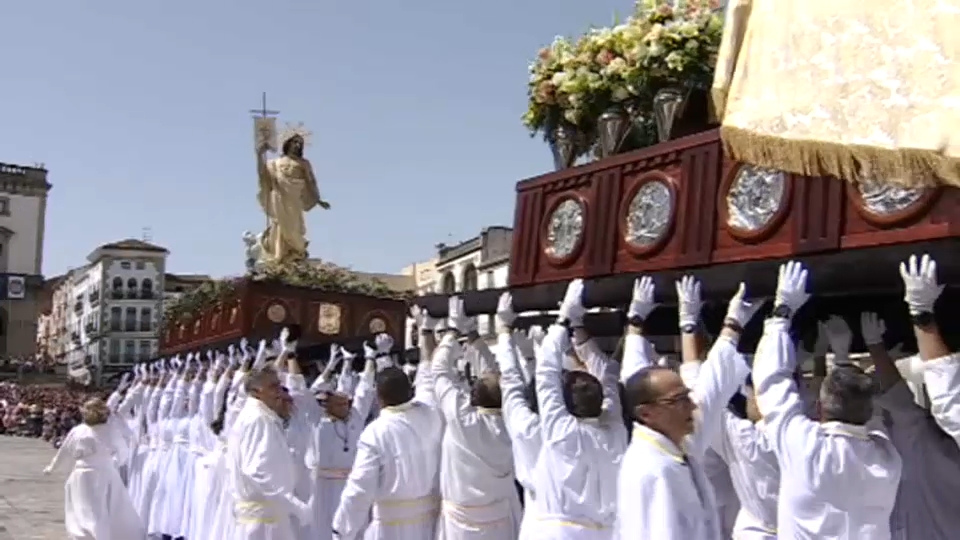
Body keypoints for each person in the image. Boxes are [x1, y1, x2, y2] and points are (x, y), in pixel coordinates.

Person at [754, 260, 902, 538]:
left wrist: (782, 312)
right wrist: (843, 357)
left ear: (819, 409)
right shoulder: (887, 460)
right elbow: (874, 422)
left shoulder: (803, 445)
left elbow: (771, 381)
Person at [616, 276, 761, 539]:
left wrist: (733, 325)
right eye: (679, 400)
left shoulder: (677, 443)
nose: (691, 404)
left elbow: (708, 389)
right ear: (646, 414)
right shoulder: (654, 470)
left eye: (686, 396)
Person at [529, 279, 627, 539]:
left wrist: (564, 321)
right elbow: (610, 381)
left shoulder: (561, 431)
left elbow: (545, 372)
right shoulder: (615, 433)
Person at [433, 296, 521, 539]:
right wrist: (473, 336)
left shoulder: (463, 419)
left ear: (473, 396)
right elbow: (492, 376)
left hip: (461, 523)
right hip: (501, 520)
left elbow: (439, 371)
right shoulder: (513, 422)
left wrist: (452, 331)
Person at [332, 361, 442, 539]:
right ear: (410, 392)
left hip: (390, 528)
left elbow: (359, 488)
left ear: (379, 398)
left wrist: (341, 530)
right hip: (429, 525)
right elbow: (427, 386)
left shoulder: (376, 433)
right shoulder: (432, 415)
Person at [226, 366, 312, 539]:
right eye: (273, 387)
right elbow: (257, 471)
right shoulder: (258, 419)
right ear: (256, 392)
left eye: (279, 385)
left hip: (267, 518)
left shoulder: (259, 416)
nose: (280, 392)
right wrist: (294, 505)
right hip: (264, 523)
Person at [43, 397, 145, 540]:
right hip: (90, 473)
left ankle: (94, 534)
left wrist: (113, 463)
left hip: (98, 474)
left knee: (94, 509)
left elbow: (64, 451)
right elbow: (65, 450)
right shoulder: (86, 430)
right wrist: (52, 466)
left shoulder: (98, 430)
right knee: (88, 508)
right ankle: (88, 534)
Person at [255, 128, 330, 263]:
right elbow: (263, 174)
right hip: (279, 196)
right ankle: (280, 253)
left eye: (299, 143)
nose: (297, 145)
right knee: (280, 224)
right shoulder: (275, 163)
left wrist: (318, 199)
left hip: (294, 198)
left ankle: (295, 252)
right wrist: (260, 155)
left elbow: (311, 182)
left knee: (295, 226)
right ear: (287, 143)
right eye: (295, 142)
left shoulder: (304, 163)